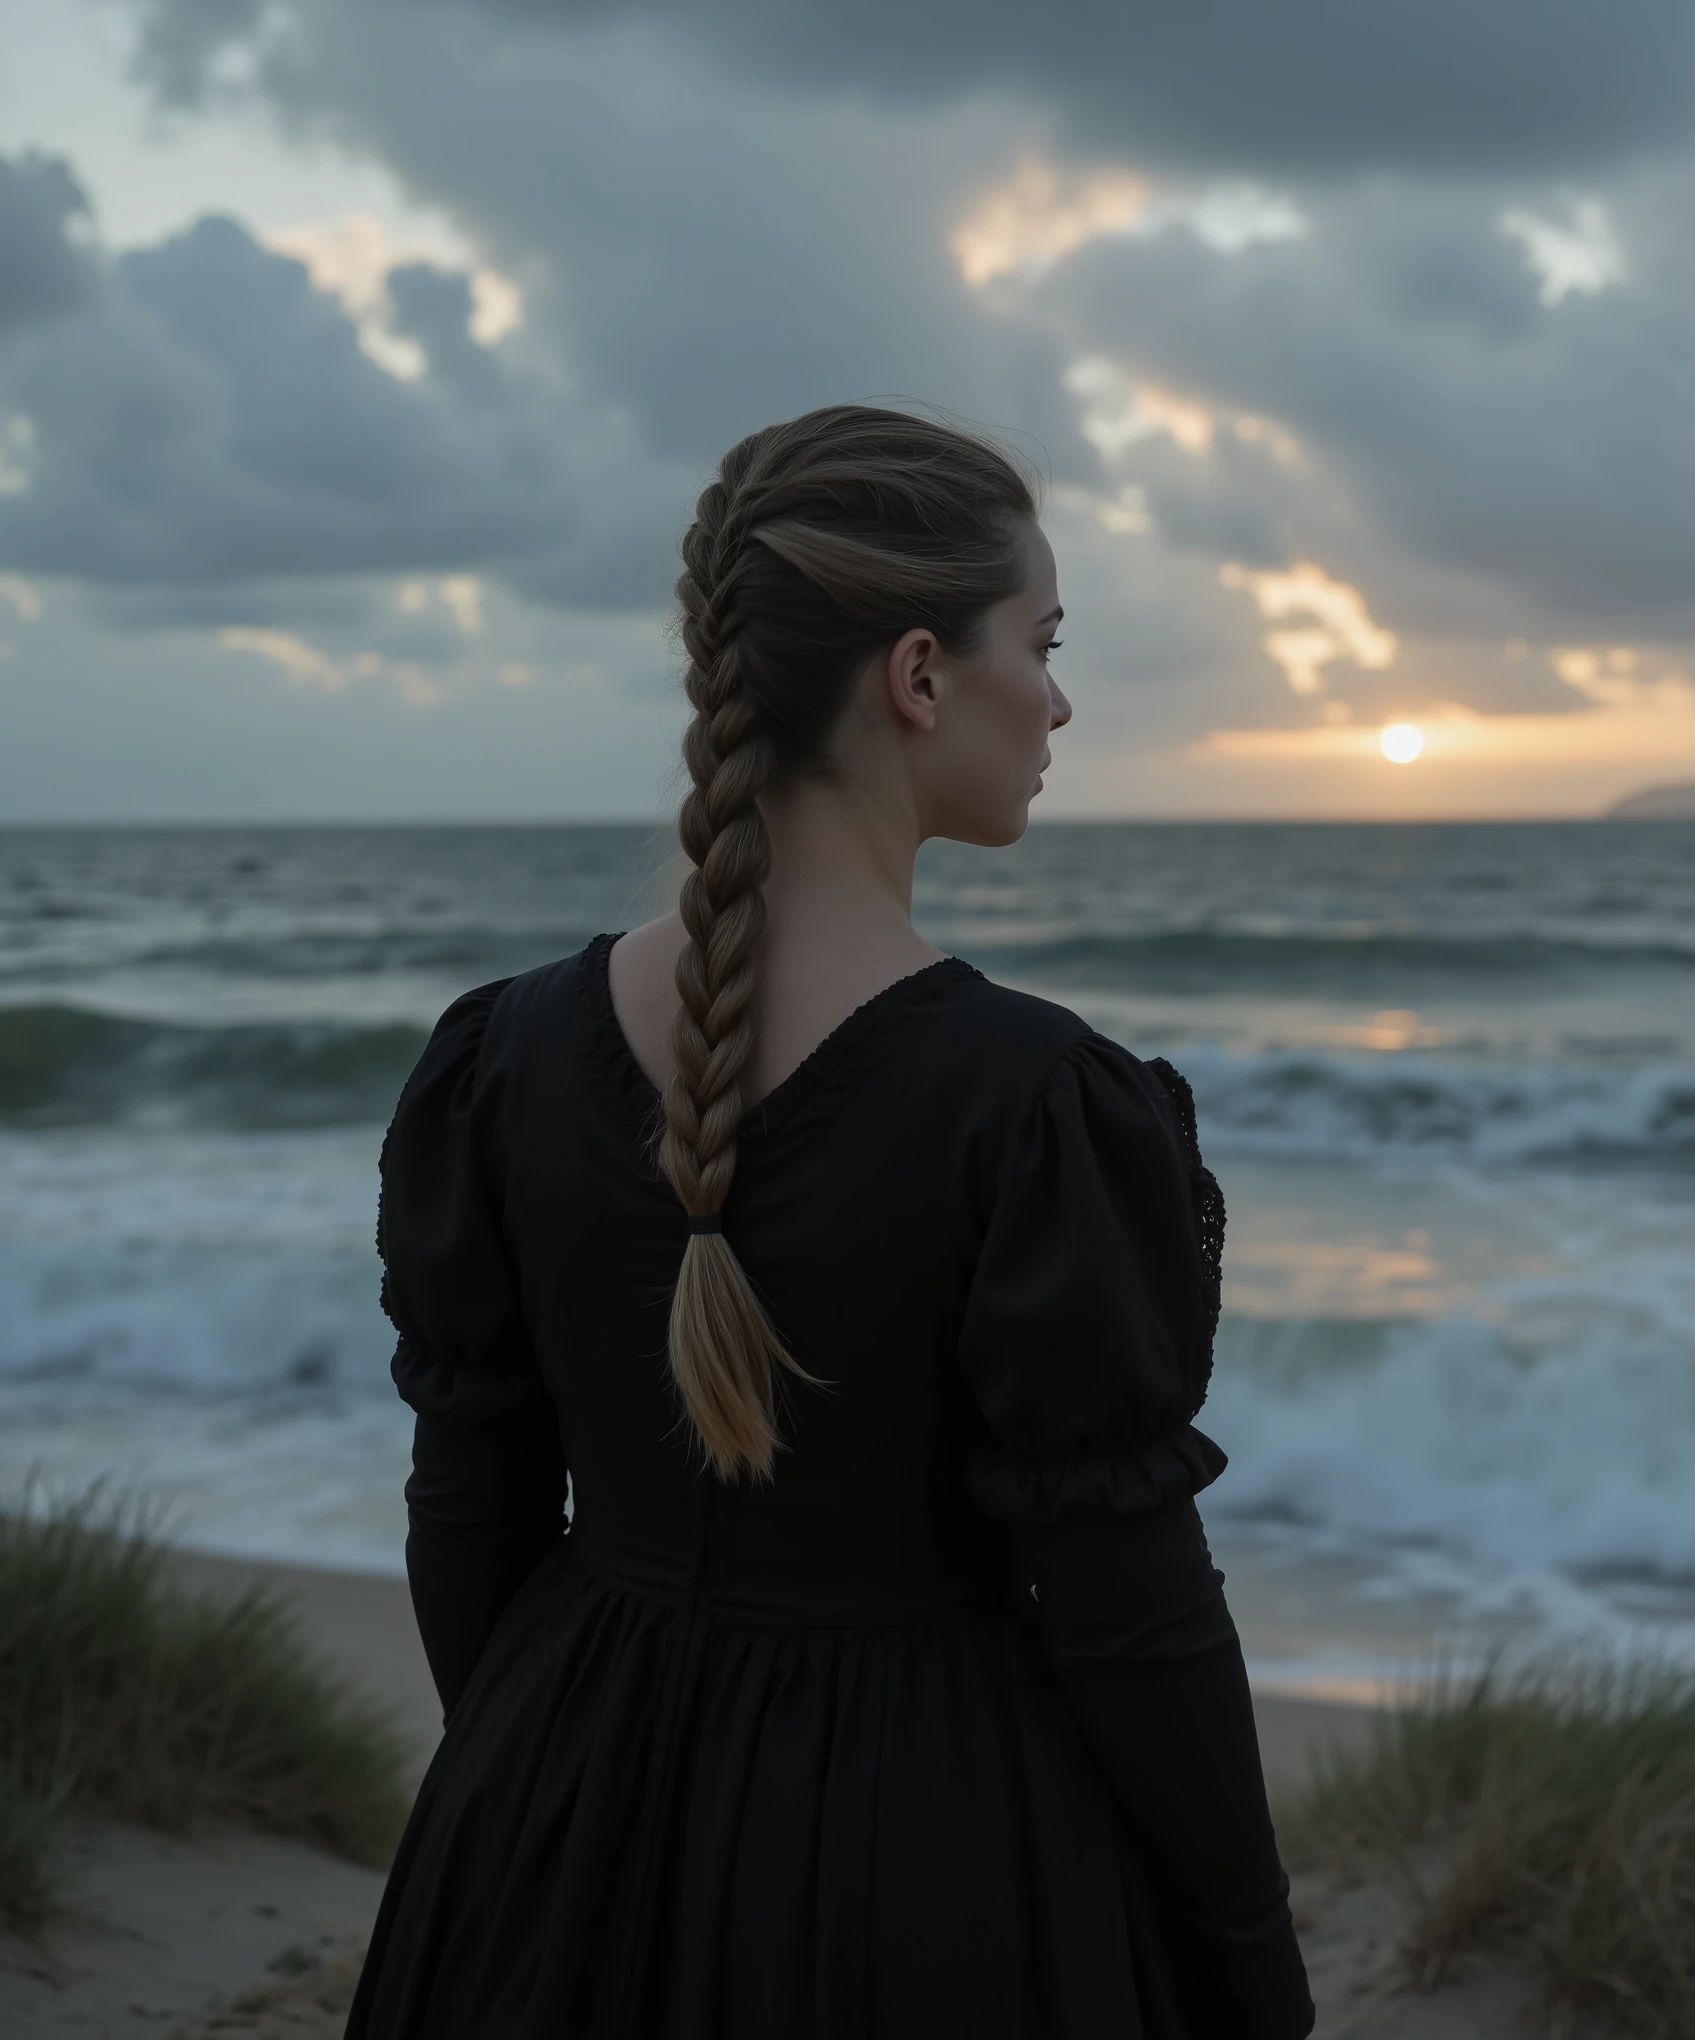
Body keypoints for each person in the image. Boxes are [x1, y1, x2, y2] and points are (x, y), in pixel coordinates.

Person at [346, 406, 1315, 2039]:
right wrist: (1248, 1965)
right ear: (920, 675)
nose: (1062, 700)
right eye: (1046, 643)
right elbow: (1127, 1613)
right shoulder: (1031, 1105)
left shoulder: (502, 1054)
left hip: (544, 1810)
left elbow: (472, 1512)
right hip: (923, 1853)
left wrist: (539, 1797)